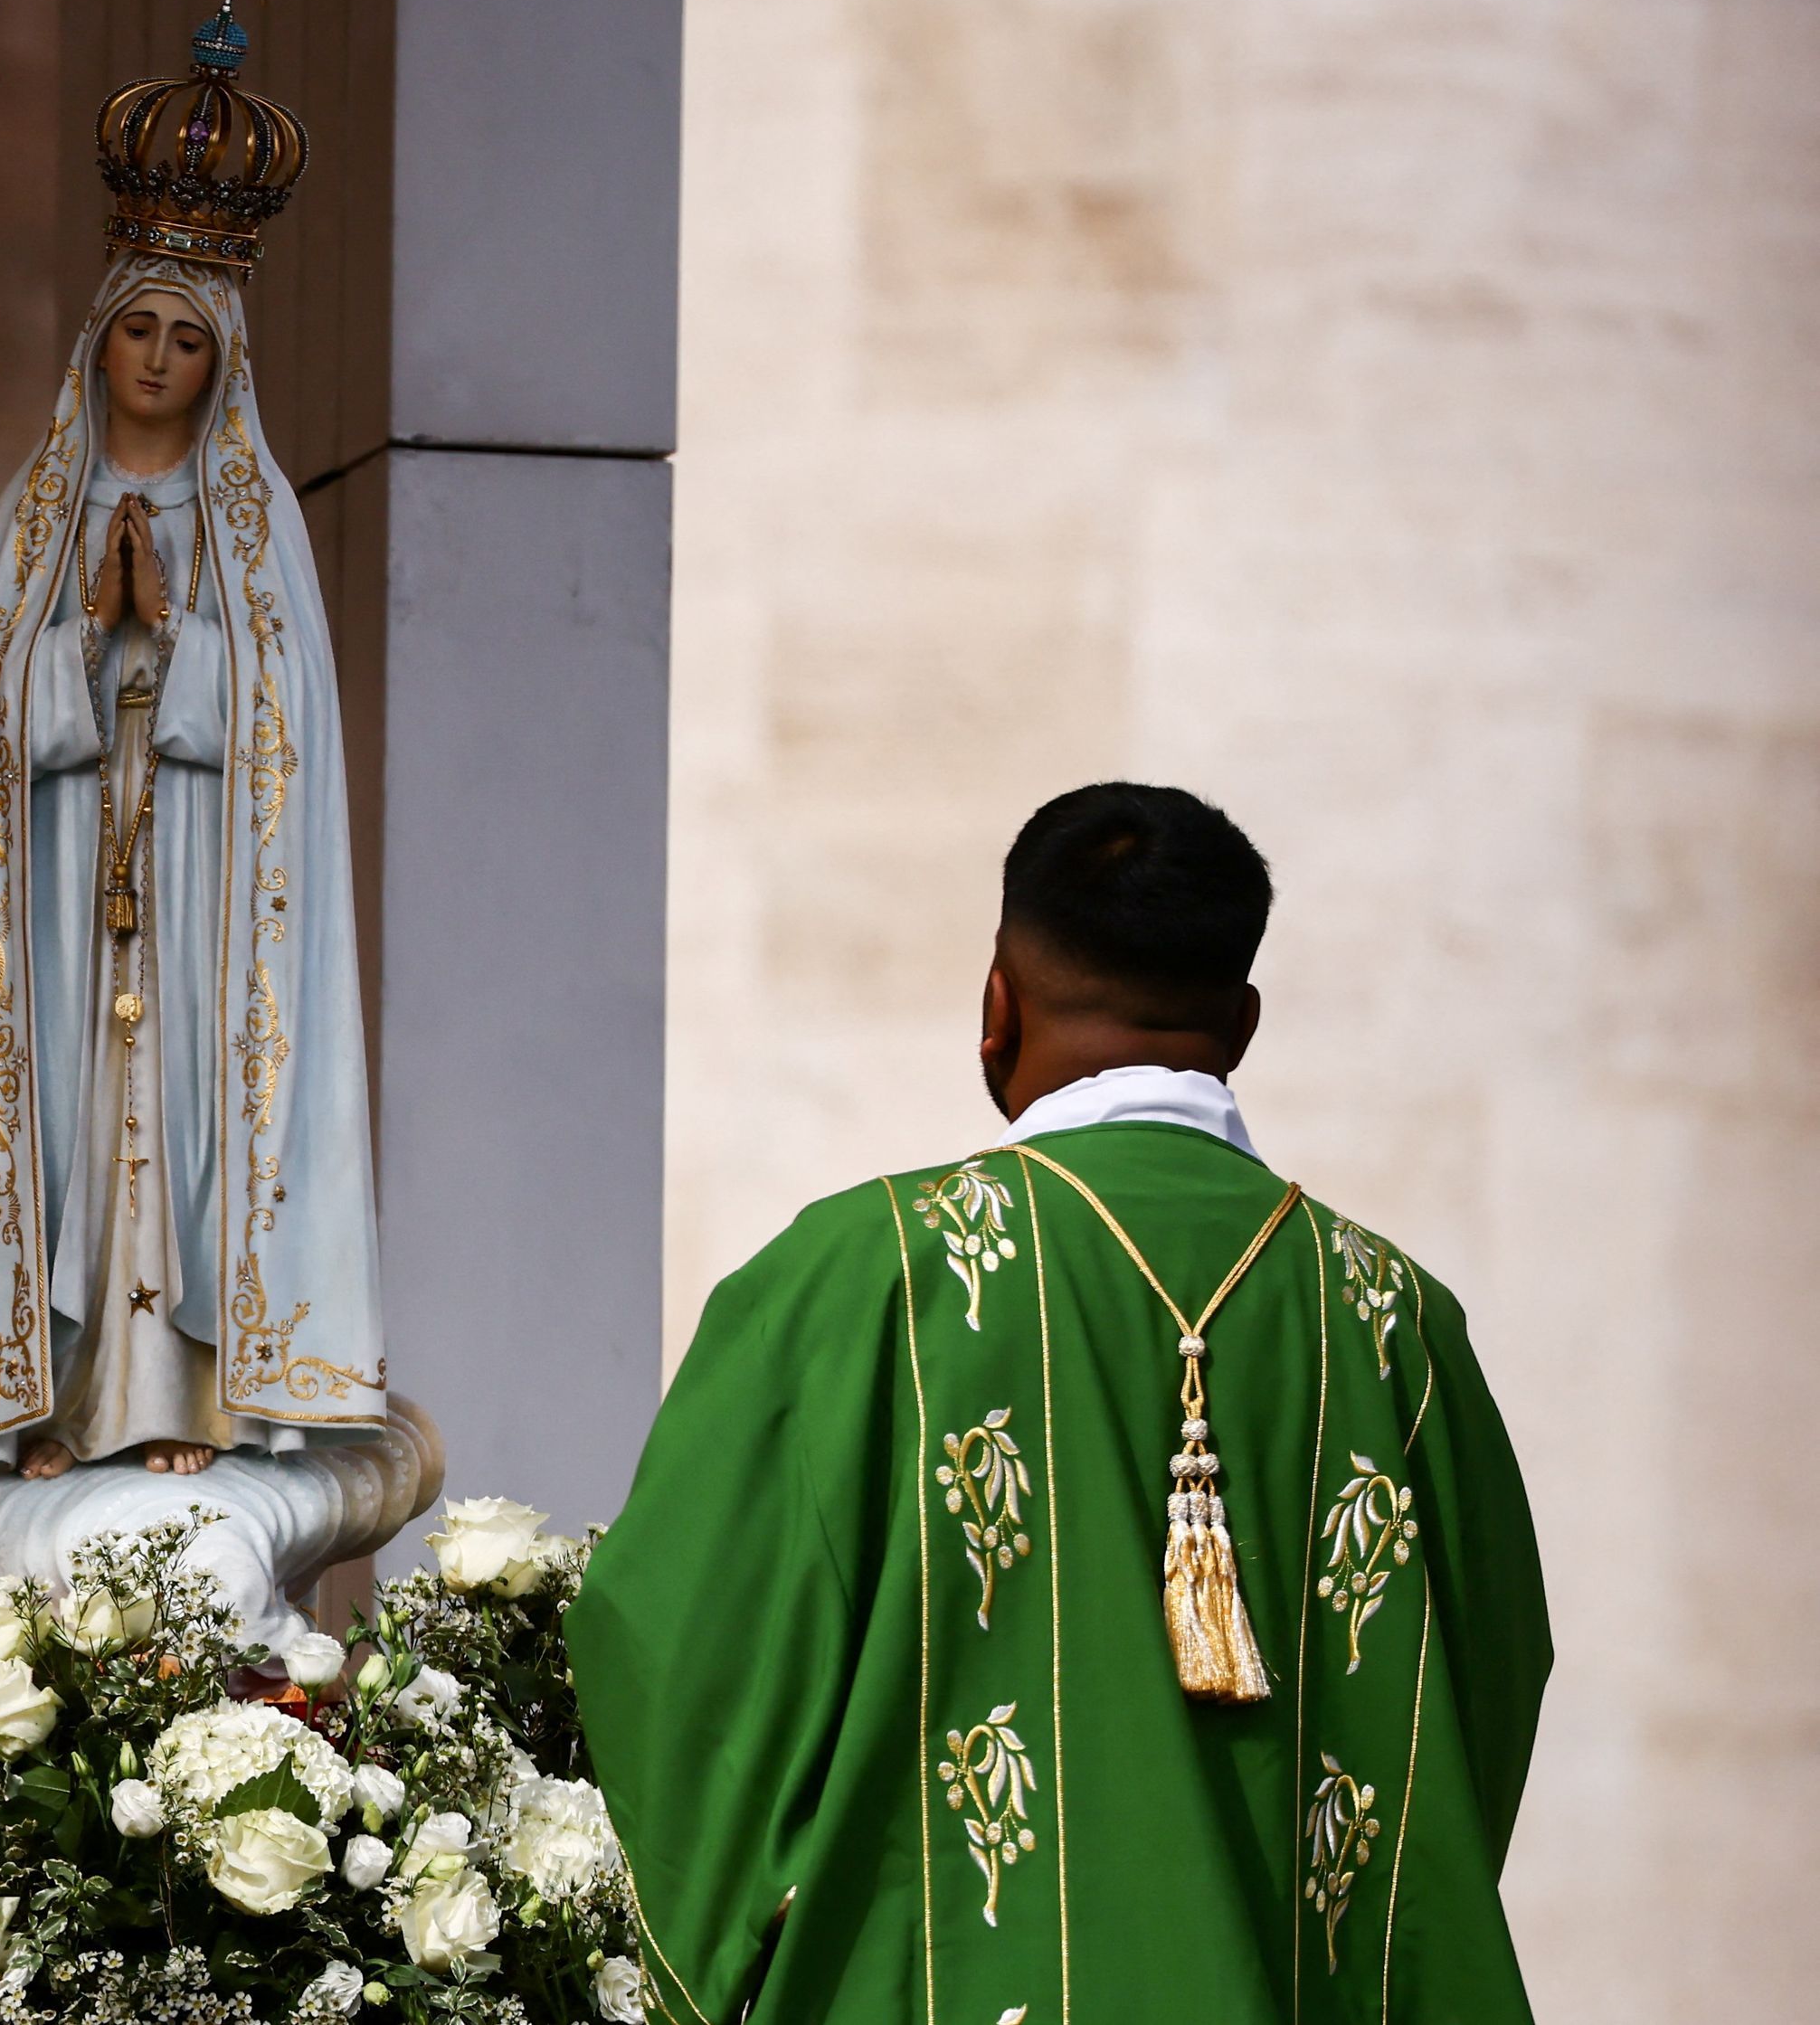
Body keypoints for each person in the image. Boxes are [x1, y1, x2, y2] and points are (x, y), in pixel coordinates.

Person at [570, 785, 1550, 2025]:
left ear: (995, 1006)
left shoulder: (859, 1278)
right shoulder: (1397, 1320)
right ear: (1242, 1022)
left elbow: (676, 1660)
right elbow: (1478, 1703)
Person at [0, 0, 383, 1486]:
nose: (160, 358)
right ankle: (60, 1393)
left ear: (221, 357)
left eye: (187, 334)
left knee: (180, 1130)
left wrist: (171, 641)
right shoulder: (37, 521)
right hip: (56, 902)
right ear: (101, 340)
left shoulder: (254, 529)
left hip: (200, 908)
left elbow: (288, 730)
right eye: (139, 329)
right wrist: (82, 643)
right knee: (73, 1132)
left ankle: (184, 1396)